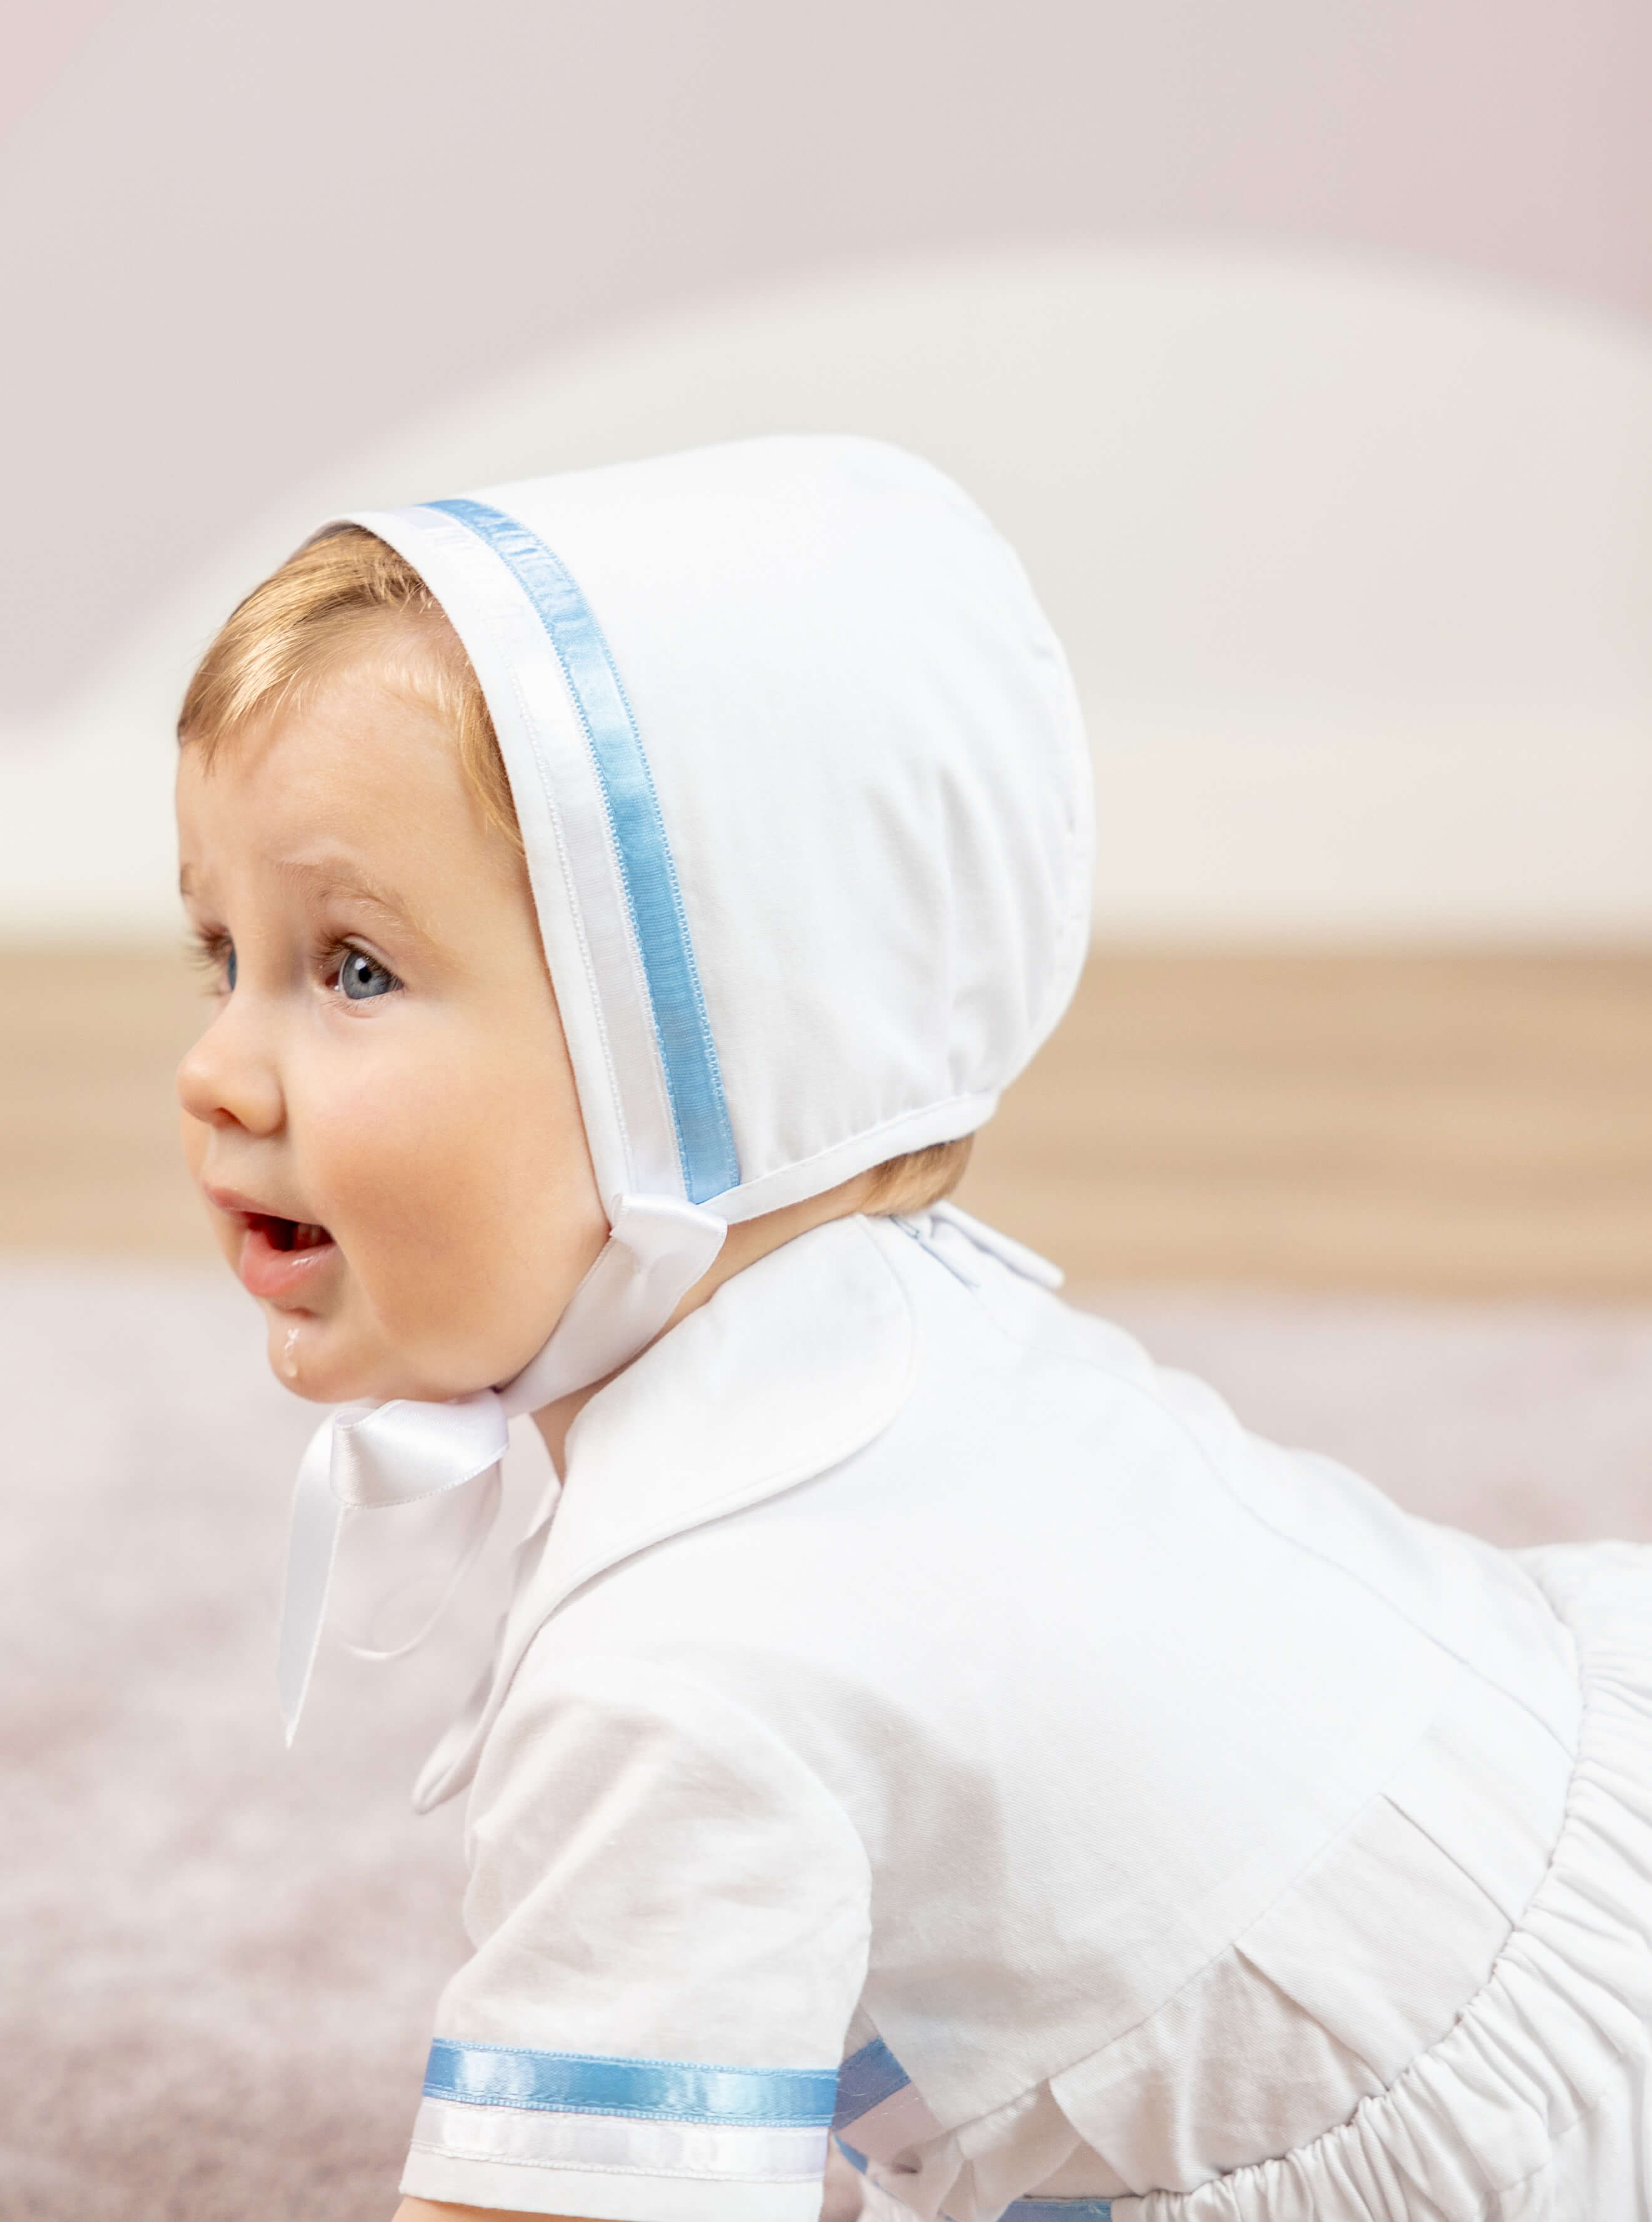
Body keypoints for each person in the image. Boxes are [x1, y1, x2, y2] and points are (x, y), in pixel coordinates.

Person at [172, 436, 1651, 2222]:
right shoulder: (900, 1317)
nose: (216, 1068)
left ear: (709, 1039)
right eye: (221, 955)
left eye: (354, 969)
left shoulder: (682, 1664)